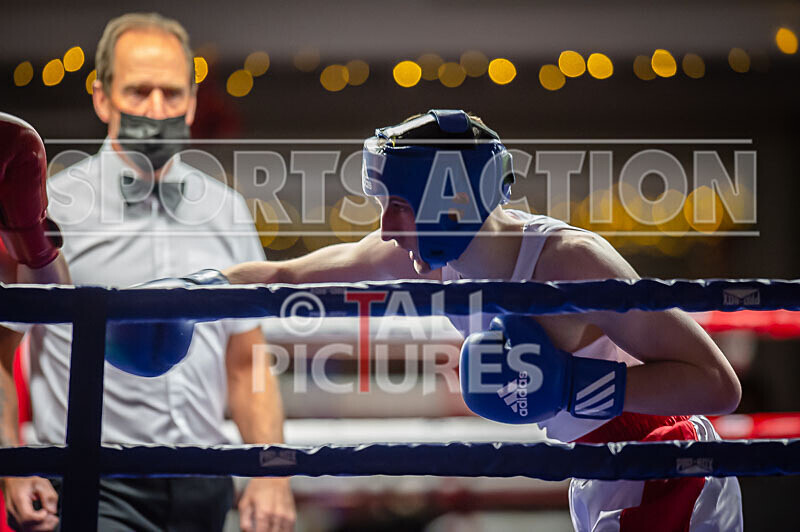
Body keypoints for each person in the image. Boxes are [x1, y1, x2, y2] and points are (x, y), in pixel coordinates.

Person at [220, 110, 743, 530]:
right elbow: (287, 273)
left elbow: (718, 386)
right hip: (596, 470)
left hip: (668, 462)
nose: (385, 228)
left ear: (448, 204)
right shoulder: (428, 256)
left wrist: (575, 387)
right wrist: (191, 290)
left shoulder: (570, 262)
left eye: (399, 206)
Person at [0, 13, 294, 532]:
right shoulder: (55, 210)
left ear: (193, 101)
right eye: (138, 91)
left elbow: (247, 363)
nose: (156, 110)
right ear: (101, 97)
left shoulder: (225, 210)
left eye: (171, 93)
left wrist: (271, 472)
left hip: (206, 479)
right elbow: (0, 354)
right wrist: (11, 465)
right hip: (96, 479)